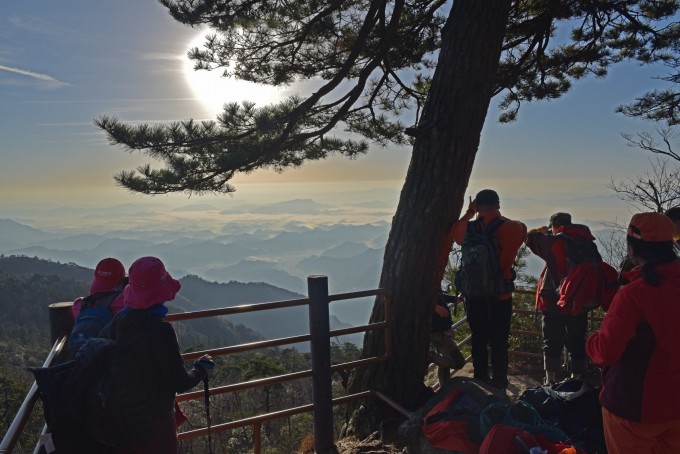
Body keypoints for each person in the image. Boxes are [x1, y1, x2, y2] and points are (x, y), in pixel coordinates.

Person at [586, 212, 680, 454]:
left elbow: (606, 352)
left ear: (632, 248)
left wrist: (591, 342)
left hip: (634, 405)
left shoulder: (633, 295)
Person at [101, 256, 214, 453]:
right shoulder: (160, 331)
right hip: (154, 423)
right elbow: (180, 382)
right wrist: (200, 369)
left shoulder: (119, 320)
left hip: (123, 418)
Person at [450, 189, 527, 391]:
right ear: (498, 204)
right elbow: (523, 230)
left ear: (477, 206)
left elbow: (455, 234)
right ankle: (500, 381)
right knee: (499, 339)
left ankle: (481, 378)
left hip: (474, 294)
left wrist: (469, 213)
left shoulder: (468, 229)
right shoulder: (512, 228)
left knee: (478, 337)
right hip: (501, 294)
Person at [525, 213, 600, 384]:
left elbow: (530, 238)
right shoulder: (584, 241)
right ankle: (577, 378)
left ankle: (550, 378)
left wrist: (544, 230)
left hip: (554, 298)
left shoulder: (555, 242)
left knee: (551, 339)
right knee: (577, 338)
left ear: (556, 225)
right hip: (578, 300)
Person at [68, 257, 127, 359]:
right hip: (110, 362)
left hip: (84, 361)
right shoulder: (123, 302)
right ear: (121, 281)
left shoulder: (79, 305)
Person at [430, 291, 466, 387]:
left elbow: (441, 296)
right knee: (458, 362)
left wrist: (455, 298)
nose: (442, 276)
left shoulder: (434, 284)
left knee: (444, 365)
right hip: (438, 333)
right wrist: (434, 307)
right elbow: (418, 300)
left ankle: (444, 388)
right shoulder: (424, 282)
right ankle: (430, 357)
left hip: (444, 330)